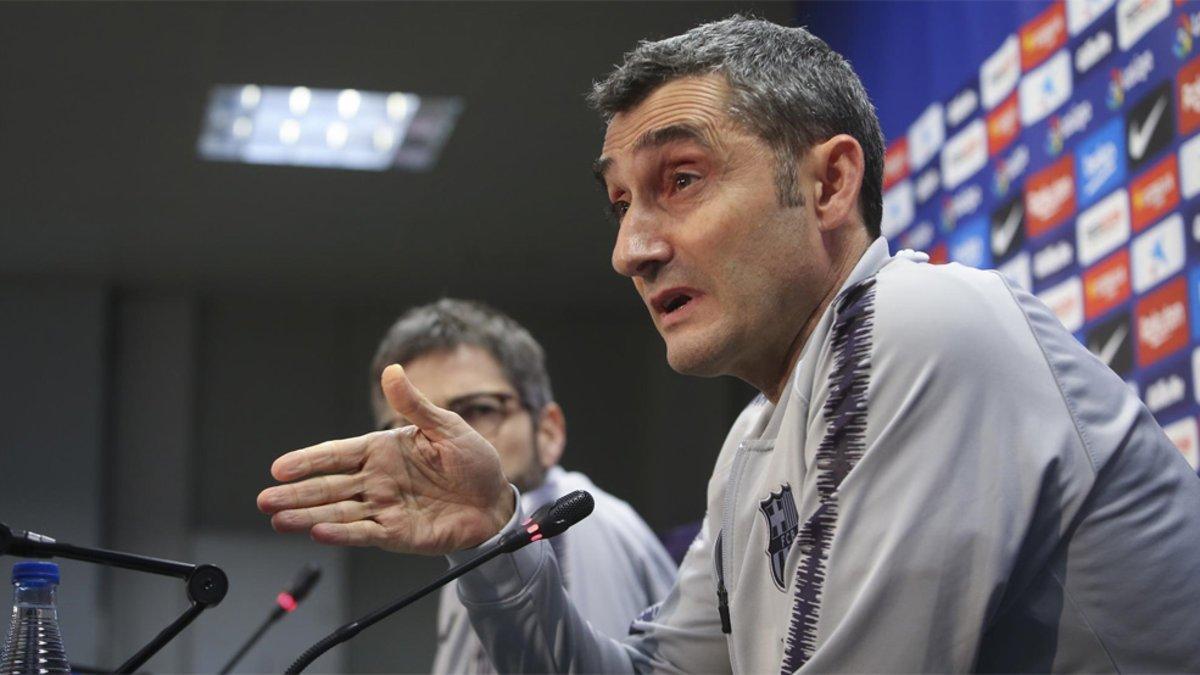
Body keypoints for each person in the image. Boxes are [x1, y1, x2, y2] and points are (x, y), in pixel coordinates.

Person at [258, 16, 1200, 673]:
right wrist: (498, 540)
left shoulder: (930, 323)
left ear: (830, 184)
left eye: (682, 179)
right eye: (621, 202)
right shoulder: (753, 447)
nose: (631, 248)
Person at [367, 299, 677, 673]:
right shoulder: (478, 545)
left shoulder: (569, 529)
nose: (439, 444)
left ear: (548, 432)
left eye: (478, 410)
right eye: (407, 429)